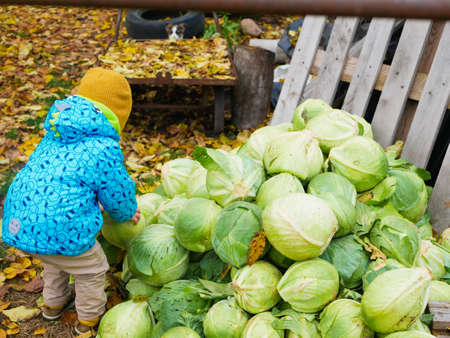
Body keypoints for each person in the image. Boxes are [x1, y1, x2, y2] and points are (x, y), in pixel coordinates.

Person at [1, 67, 140, 335]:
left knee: (55, 259)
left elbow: (63, 179)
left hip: (22, 220)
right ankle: (87, 319)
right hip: (62, 227)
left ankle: (52, 305)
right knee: (92, 268)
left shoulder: (55, 132)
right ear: (117, 116)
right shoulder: (105, 148)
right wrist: (127, 213)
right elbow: (118, 193)